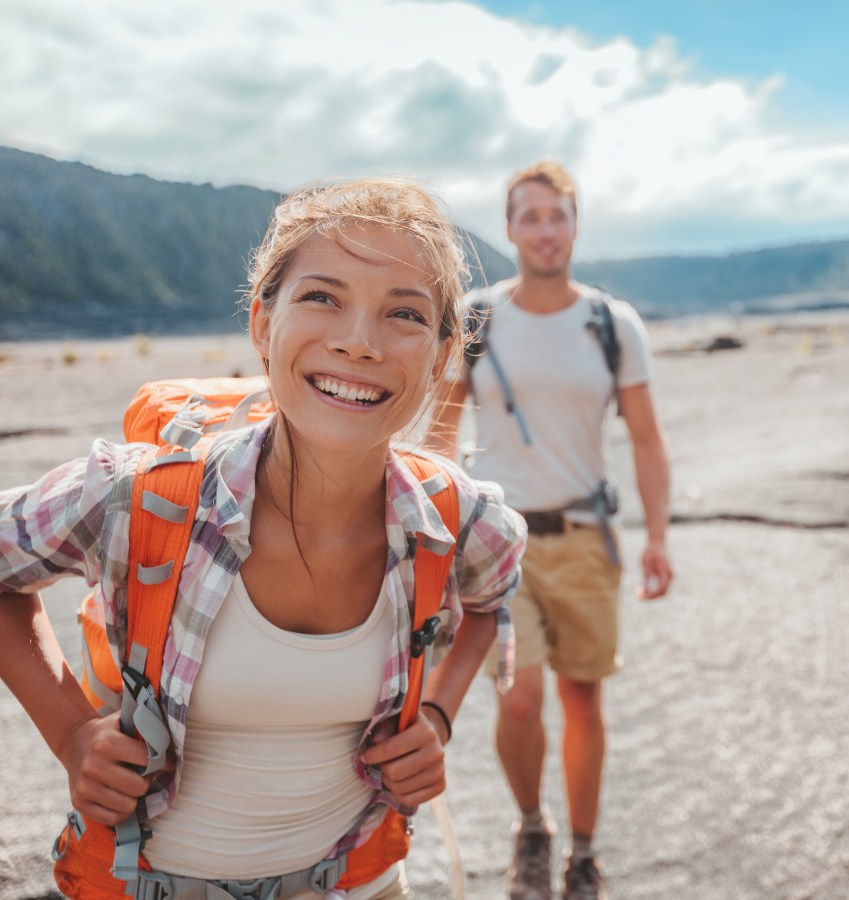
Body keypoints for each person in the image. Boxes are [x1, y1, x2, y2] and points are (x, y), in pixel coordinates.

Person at [0, 177, 527, 899]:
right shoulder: (138, 495)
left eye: (404, 313)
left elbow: (494, 597)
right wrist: (69, 734)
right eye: (322, 297)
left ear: (440, 359)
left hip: (363, 884)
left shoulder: (458, 516)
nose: (358, 341)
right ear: (261, 324)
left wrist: (438, 714)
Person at [427, 160, 673, 900]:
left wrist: (659, 536)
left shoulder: (611, 323)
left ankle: (585, 852)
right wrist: (431, 533)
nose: (544, 230)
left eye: (557, 216)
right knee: (521, 698)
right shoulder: (477, 317)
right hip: (498, 546)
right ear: (509, 230)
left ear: (574, 225)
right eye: (529, 217)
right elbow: (440, 431)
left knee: (582, 701)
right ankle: (533, 827)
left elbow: (648, 439)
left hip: (586, 539)